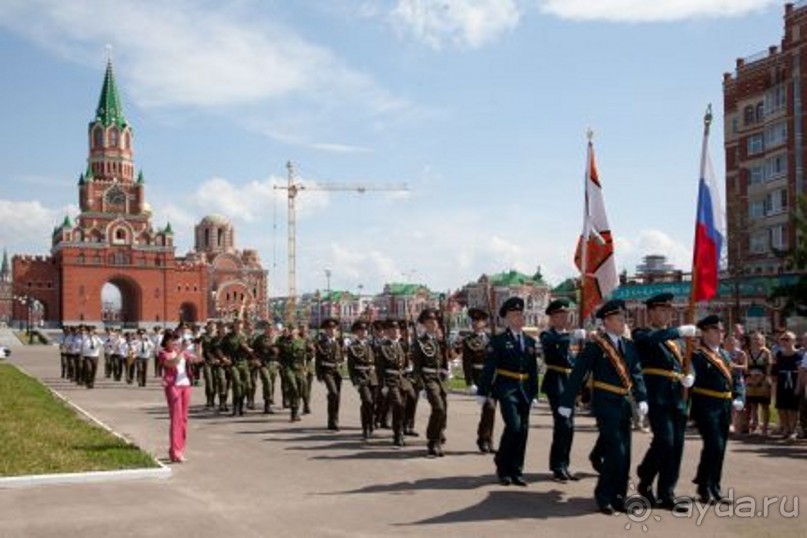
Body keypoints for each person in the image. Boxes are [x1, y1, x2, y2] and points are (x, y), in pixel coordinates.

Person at [559, 299, 648, 514]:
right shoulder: (596, 346)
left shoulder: (628, 346)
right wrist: (566, 402)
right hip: (605, 402)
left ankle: (620, 496)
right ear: (607, 321)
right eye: (619, 319)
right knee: (615, 449)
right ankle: (604, 495)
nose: (623, 322)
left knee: (625, 452)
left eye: (623, 318)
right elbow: (578, 374)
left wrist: (642, 397)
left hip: (624, 403)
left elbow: (636, 373)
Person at [632, 293, 696, 511]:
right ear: (650, 312)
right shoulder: (642, 333)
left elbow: (687, 362)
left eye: (669, 310)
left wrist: (691, 376)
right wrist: (678, 331)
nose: (666, 314)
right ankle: (646, 474)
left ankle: (667, 493)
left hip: (677, 396)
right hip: (657, 395)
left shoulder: (677, 340)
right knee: (665, 441)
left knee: (677, 446)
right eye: (661, 310)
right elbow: (651, 341)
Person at [478, 297, 539, 486]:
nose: (519, 318)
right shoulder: (499, 341)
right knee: (514, 426)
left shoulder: (529, 341)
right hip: (506, 388)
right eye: (514, 315)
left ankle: (516, 470)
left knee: (523, 431)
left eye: (520, 314)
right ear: (506, 319)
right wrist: (483, 391)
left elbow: (532, 370)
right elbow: (490, 368)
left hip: (524, 390)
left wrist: (534, 393)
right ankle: (503, 466)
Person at [689, 315, 745, 503]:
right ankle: (705, 487)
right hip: (706, 406)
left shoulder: (725, 355)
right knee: (715, 445)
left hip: (724, 407)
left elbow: (736, 379)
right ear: (705, 333)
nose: (721, 334)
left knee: (719, 449)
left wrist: (739, 396)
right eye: (717, 330)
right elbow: (689, 379)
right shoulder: (696, 355)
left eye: (722, 330)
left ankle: (713, 487)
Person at [540, 299, 586, 482]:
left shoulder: (570, 337)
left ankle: (564, 465)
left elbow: (574, 362)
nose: (563, 318)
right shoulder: (548, 336)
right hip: (555, 383)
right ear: (551, 318)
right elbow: (555, 341)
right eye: (558, 315)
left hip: (568, 384)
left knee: (569, 427)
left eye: (564, 315)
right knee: (562, 425)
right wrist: (574, 335)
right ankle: (558, 466)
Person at [158, 329, 202, 463]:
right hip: (173, 387)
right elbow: (172, 363)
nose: (175, 342)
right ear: (166, 341)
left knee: (183, 419)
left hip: (185, 385)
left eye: (176, 339)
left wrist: (199, 346)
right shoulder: (163, 353)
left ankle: (179, 450)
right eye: (173, 340)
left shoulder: (180, 351)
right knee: (176, 419)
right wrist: (182, 350)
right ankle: (175, 451)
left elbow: (198, 360)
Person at [413, 308, 450, 458]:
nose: (434, 324)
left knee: (444, 409)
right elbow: (417, 367)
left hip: (440, 380)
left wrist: (447, 370)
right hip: (428, 379)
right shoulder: (420, 342)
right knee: (439, 408)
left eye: (435, 321)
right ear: (424, 324)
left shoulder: (440, 341)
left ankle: (438, 434)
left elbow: (445, 360)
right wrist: (420, 386)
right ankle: (433, 441)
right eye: (430, 322)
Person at [462, 308, 495, 454]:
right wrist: (470, 382)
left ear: (485, 322)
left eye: (478, 321)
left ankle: (486, 440)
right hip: (479, 377)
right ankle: (484, 440)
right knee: (489, 407)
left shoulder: (492, 338)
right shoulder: (468, 341)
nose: (475, 323)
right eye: (473, 321)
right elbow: (466, 363)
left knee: (490, 410)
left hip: (493, 377)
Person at [347, 320, 377, 440]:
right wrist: (355, 382)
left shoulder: (372, 344)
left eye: (365, 330)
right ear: (356, 332)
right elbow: (350, 366)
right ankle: (366, 428)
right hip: (361, 377)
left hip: (373, 377)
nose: (363, 332)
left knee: (373, 403)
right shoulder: (353, 347)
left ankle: (371, 423)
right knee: (367, 401)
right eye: (361, 330)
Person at [771, 331, 802, 440]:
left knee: (792, 408)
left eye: (787, 339)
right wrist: (774, 387)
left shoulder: (798, 355)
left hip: (793, 382)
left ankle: (793, 430)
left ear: (794, 341)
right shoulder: (779, 355)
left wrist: (798, 387)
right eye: (782, 339)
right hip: (781, 382)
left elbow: (800, 373)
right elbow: (774, 372)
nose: (784, 341)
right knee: (781, 408)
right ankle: (785, 429)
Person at [315, 318, 344, 430]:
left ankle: (333, 421)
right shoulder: (321, 343)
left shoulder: (339, 342)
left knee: (337, 397)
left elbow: (341, 357)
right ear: (325, 330)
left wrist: (341, 364)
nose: (332, 331)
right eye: (329, 329)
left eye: (333, 328)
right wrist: (319, 374)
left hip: (337, 372)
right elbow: (318, 360)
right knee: (333, 393)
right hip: (327, 371)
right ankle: (333, 420)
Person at [278, 325, 308, 422]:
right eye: (290, 330)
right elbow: (278, 354)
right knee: (293, 387)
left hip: (299, 368)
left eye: (293, 329)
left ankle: (296, 411)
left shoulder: (302, 342)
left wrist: (306, 367)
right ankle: (293, 413)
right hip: (288, 368)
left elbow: (306, 355)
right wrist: (279, 364)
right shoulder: (283, 342)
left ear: (297, 331)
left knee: (301, 388)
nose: (291, 331)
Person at [745, 331, 773, 436]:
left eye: (758, 339)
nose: (756, 341)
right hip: (750, 381)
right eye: (754, 339)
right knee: (753, 405)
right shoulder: (747, 352)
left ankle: (765, 428)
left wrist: (762, 379)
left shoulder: (767, 352)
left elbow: (769, 368)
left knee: (765, 405)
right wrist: (750, 378)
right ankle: (754, 425)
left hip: (763, 381)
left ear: (763, 340)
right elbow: (745, 366)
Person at [251, 323, 279, 414]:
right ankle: (267, 405)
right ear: (265, 329)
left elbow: (282, 351)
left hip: (273, 364)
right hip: (263, 364)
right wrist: (256, 360)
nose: (269, 330)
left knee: (271, 383)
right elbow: (253, 350)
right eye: (268, 328)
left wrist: (279, 361)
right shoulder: (259, 339)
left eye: (271, 328)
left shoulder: (276, 339)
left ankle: (269, 401)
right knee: (267, 381)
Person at [723, 334, 748, 434]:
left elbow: (745, 367)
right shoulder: (719, 353)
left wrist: (734, 366)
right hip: (724, 380)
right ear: (724, 342)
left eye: (733, 340)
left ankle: (734, 424)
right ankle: (728, 423)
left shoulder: (740, 353)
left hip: (737, 380)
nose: (731, 342)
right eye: (728, 340)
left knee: (737, 403)